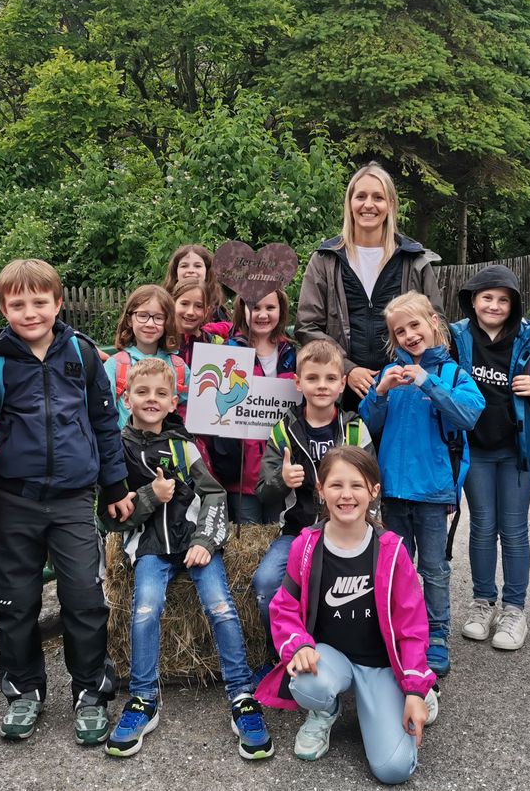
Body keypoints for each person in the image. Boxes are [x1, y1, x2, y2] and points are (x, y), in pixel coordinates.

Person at [0, 259, 133, 746]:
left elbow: (105, 424)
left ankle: (90, 691)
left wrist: (115, 485)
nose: (30, 312)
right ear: (3, 308)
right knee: (15, 604)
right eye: (18, 304)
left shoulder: (82, 354)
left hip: (71, 501)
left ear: (57, 303)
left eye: (39, 301)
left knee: (84, 600)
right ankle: (24, 690)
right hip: (11, 500)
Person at [100, 358, 273, 760]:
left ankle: (242, 695)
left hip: (194, 546)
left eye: (161, 393)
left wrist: (206, 541)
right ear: (126, 398)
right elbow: (109, 513)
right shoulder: (117, 450)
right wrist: (148, 498)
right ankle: (143, 699)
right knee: (145, 609)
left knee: (222, 608)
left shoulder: (185, 445)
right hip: (149, 549)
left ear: (174, 399)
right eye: (142, 393)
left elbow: (214, 495)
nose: (151, 399)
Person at [256, 447, 439, 784]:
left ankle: (418, 689)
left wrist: (413, 689)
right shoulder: (306, 545)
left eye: (357, 485)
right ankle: (325, 710)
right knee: (306, 681)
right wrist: (298, 645)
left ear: (373, 491)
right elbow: (284, 607)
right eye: (336, 485)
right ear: (321, 492)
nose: (346, 495)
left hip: (380, 665)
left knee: (393, 770)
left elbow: (412, 626)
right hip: (332, 659)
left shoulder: (392, 550)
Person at [359, 291, 484, 676]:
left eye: (415, 325)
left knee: (434, 568)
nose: (409, 335)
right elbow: (368, 425)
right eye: (400, 331)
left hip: (432, 492)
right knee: (395, 567)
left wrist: (429, 383)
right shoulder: (389, 375)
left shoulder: (454, 375)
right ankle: (397, 629)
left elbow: (468, 415)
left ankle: (437, 636)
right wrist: (379, 393)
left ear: (433, 322)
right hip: (393, 490)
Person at [449, 266, 530, 652]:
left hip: (515, 451)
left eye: (503, 299)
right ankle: (482, 602)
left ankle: (514, 608)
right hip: (474, 448)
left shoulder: (529, 338)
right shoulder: (455, 335)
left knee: (512, 529)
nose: (494, 305)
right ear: (473, 300)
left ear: (513, 304)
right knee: (481, 526)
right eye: (487, 297)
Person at [253, 338, 374, 646]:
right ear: (297, 383)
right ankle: (283, 654)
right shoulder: (284, 429)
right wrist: (282, 480)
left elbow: (373, 487)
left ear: (342, 383)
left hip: (347, 535)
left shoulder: (355, 428)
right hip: (296, 532)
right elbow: (263, 490)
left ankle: (350, 653)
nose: (322, 386)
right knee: (265, 583)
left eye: (331, 378)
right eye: (313, 378)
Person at [296, 164, 443, 409]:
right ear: (349, 203)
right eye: (361, 196)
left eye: (378, 197)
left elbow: (437, 323)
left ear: (391, 205)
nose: (368, 205)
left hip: (403, 390)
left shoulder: (413, 260)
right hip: (340, 393)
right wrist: (347, 368)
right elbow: (307, 326)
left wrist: (407, 370)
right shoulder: (325, 259)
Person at [205, 290, 297, 523]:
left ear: (281, 310)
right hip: (240, 468)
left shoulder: (292, 352)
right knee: (247, 536)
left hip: (277, 464)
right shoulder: (229, 351)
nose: (263, 314)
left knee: (278, 530)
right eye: (255, 308)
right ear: (243, 310)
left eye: (270, 308)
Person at [104, 284, 188, 428]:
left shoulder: (179, 367)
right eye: (142, 316)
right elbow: (103, 416)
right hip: (125, 448)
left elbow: (194, 410)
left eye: (158, 317)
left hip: (167, 447)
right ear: (130, 320)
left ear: (167, 322)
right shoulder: (115, 366)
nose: (150, 324)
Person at [162, 243, 229, 322]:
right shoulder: (162, 303)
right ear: (175, 273)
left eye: (197, 266)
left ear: (207, 272)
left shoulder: (216, 312)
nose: (191, 270)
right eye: (184, 266)